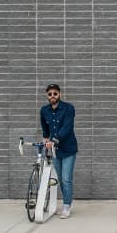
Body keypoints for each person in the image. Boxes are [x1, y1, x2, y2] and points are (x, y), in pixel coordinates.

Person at [40, 83, 78, 219]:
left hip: (68, 149)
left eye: (55, 93)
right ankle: (67, 202)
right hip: (55, 150)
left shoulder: (68, 108)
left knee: (67, 179)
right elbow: (44, 127)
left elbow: (67, 127)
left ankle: (67, 205)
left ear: (59, 94)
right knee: (61, 180)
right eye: (50, 94)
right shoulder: (44, 110)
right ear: (47, 95)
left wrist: (55, 139)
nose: (52, 96)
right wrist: (45, 139)